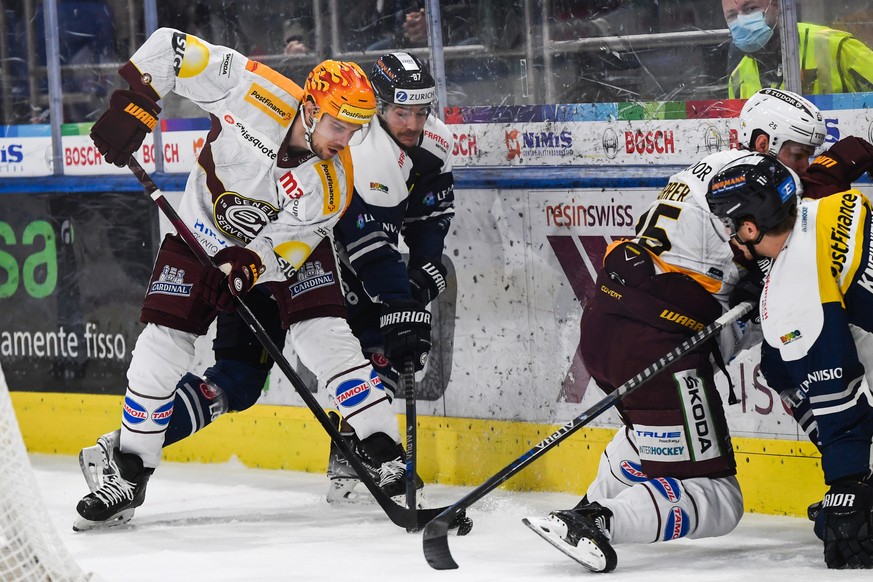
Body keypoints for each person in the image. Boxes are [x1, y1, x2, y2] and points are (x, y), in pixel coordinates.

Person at [72, 27, 390, 530]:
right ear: (310, 107)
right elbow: (172, 47)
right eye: (337, 126)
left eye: (355, 131)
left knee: (323, 334)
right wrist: (138, 101)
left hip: (276, 253)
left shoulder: (331, 183)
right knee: (162, 345)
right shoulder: (253, 88)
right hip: (199, 232)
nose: (343, 141)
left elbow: (296, 242)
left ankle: (380, 447)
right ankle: (128, 472)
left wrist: (252, 264)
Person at [522, 87, 824, 572]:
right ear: (764, 141)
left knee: (649, 435)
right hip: (659, 339)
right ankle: (598, 521)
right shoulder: (752, 182)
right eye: (797, 153)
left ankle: (580, 515)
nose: (804, 168)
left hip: (609, 323)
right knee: (720, 499)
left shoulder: (709, 168)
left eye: (811, 156)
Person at [706, 148, 873, 569]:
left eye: (731, 225)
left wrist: (846, 488)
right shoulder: (837, 205)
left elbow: (837, 395)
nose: (730, 236)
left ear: (749, 226)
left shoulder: (792, 295)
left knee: (789, 367)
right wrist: (765, 275)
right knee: (778, 362)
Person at [325, 51, 455, 502]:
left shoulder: (435, 141)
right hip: (322, 251)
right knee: (378, 334)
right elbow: (369, 248)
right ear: (379, 108)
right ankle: (357, 449)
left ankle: (351, 454)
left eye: (421, 111)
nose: (413, 124)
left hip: (370, 248)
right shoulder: (362, 150)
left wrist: (423, 266)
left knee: (387, 338)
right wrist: (402, 304)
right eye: (402, 112)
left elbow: (432, 212)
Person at [722, 0, 873, 98]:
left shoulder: (836, 46)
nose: (741, 22)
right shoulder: (737, 78)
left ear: (776, 5)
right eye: (733, 15)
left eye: (750, 9)